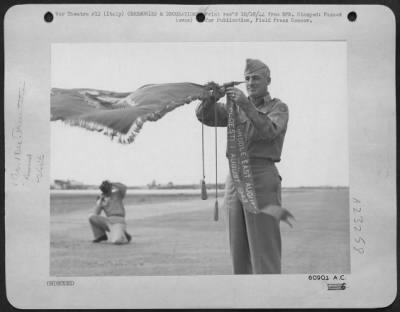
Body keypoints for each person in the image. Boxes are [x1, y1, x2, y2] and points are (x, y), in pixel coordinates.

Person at [196, 58, 293, 274]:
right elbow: (204, 116)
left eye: (256, 78)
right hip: (234, 178)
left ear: (268, 80)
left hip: (261, 175)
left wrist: (246, 105)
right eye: (247, 78)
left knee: (263, 250)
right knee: (238, 251)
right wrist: (211, 98)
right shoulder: (235, 107)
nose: (251, 82)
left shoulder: (278, 107)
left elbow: (269, 131)